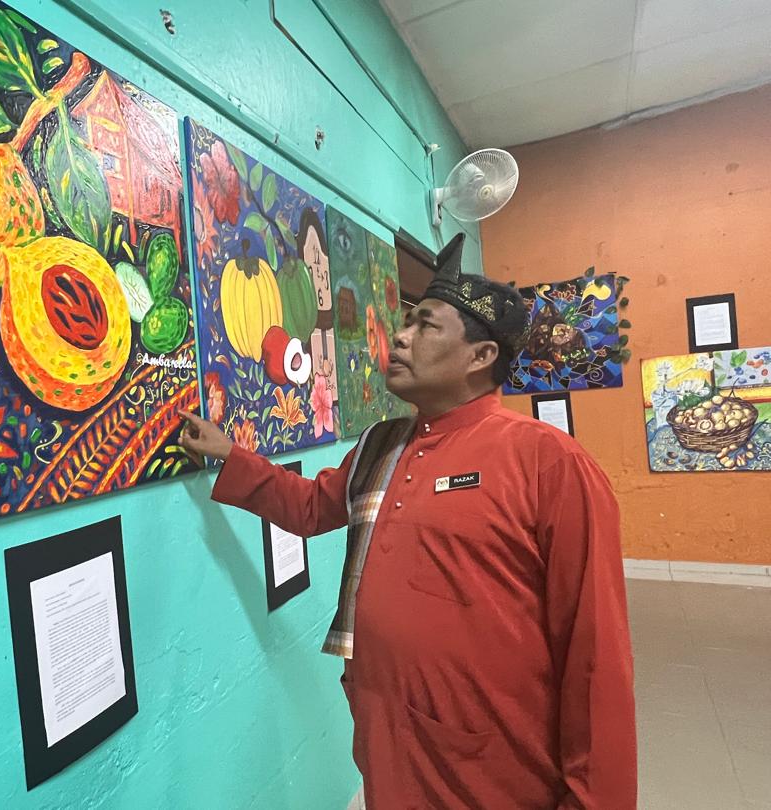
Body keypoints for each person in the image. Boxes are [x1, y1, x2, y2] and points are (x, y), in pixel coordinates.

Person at [178, 233, 637, 809]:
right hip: (387, 741)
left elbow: (595, 657)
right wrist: (230, 456)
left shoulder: (549, 462)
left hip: (494, 765)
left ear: (480, 357)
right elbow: (312, 507)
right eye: (406, 321)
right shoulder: (382, 444)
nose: (399, 335)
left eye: (425, 325)